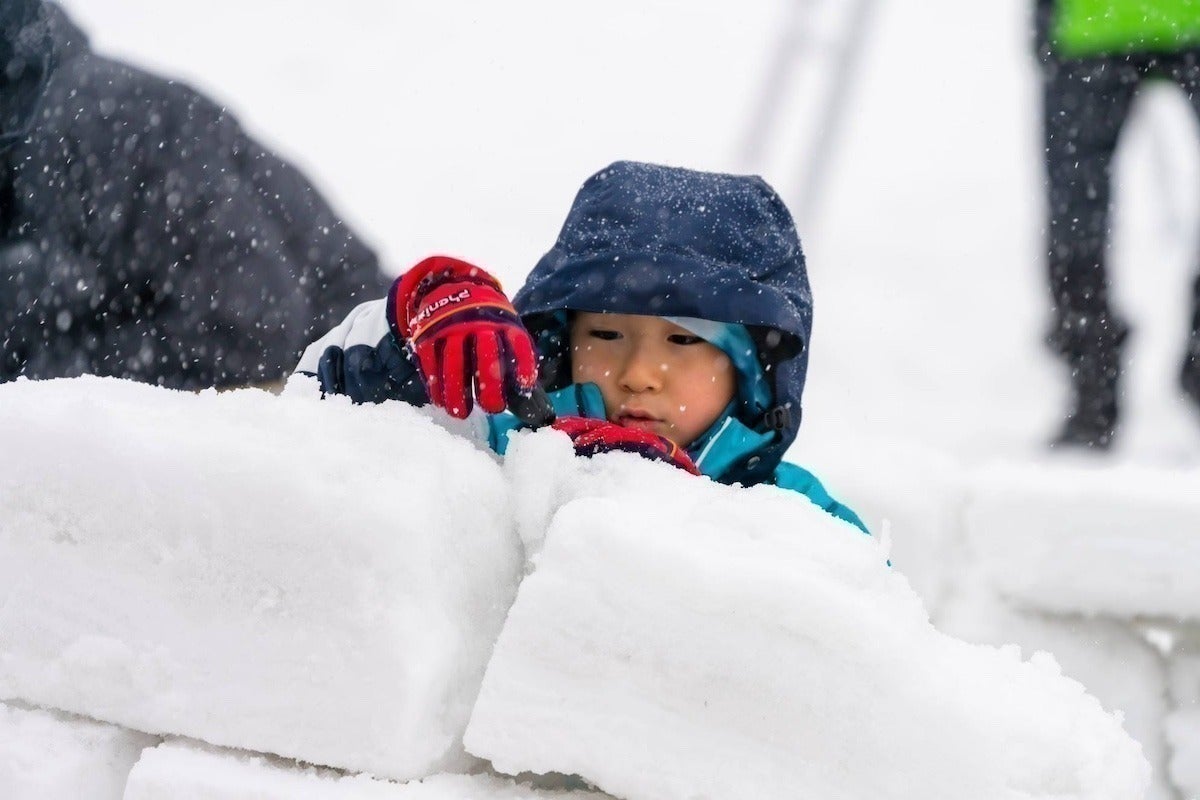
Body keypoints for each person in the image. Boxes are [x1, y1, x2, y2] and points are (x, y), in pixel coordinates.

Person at [296, 161, 867, 533]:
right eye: (606, 335)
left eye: (683, 339)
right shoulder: (492, 444)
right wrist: (405, 339)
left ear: (752, 372)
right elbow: (315, 437)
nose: (639, 373)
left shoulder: (801, 523)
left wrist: (674, 509)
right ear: (561, 343)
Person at [1, 0, 390, 389]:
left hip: (348, 371)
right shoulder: (34, 132)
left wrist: (45, 379)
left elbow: (254, 323)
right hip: (280, 363)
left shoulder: (103, 119)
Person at [1035, 0, 1200, 448]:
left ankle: (1092, 381)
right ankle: (1092, 381)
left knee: (1074, 219)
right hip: (1089, 29)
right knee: (1074, 221)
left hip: (1087, 29)